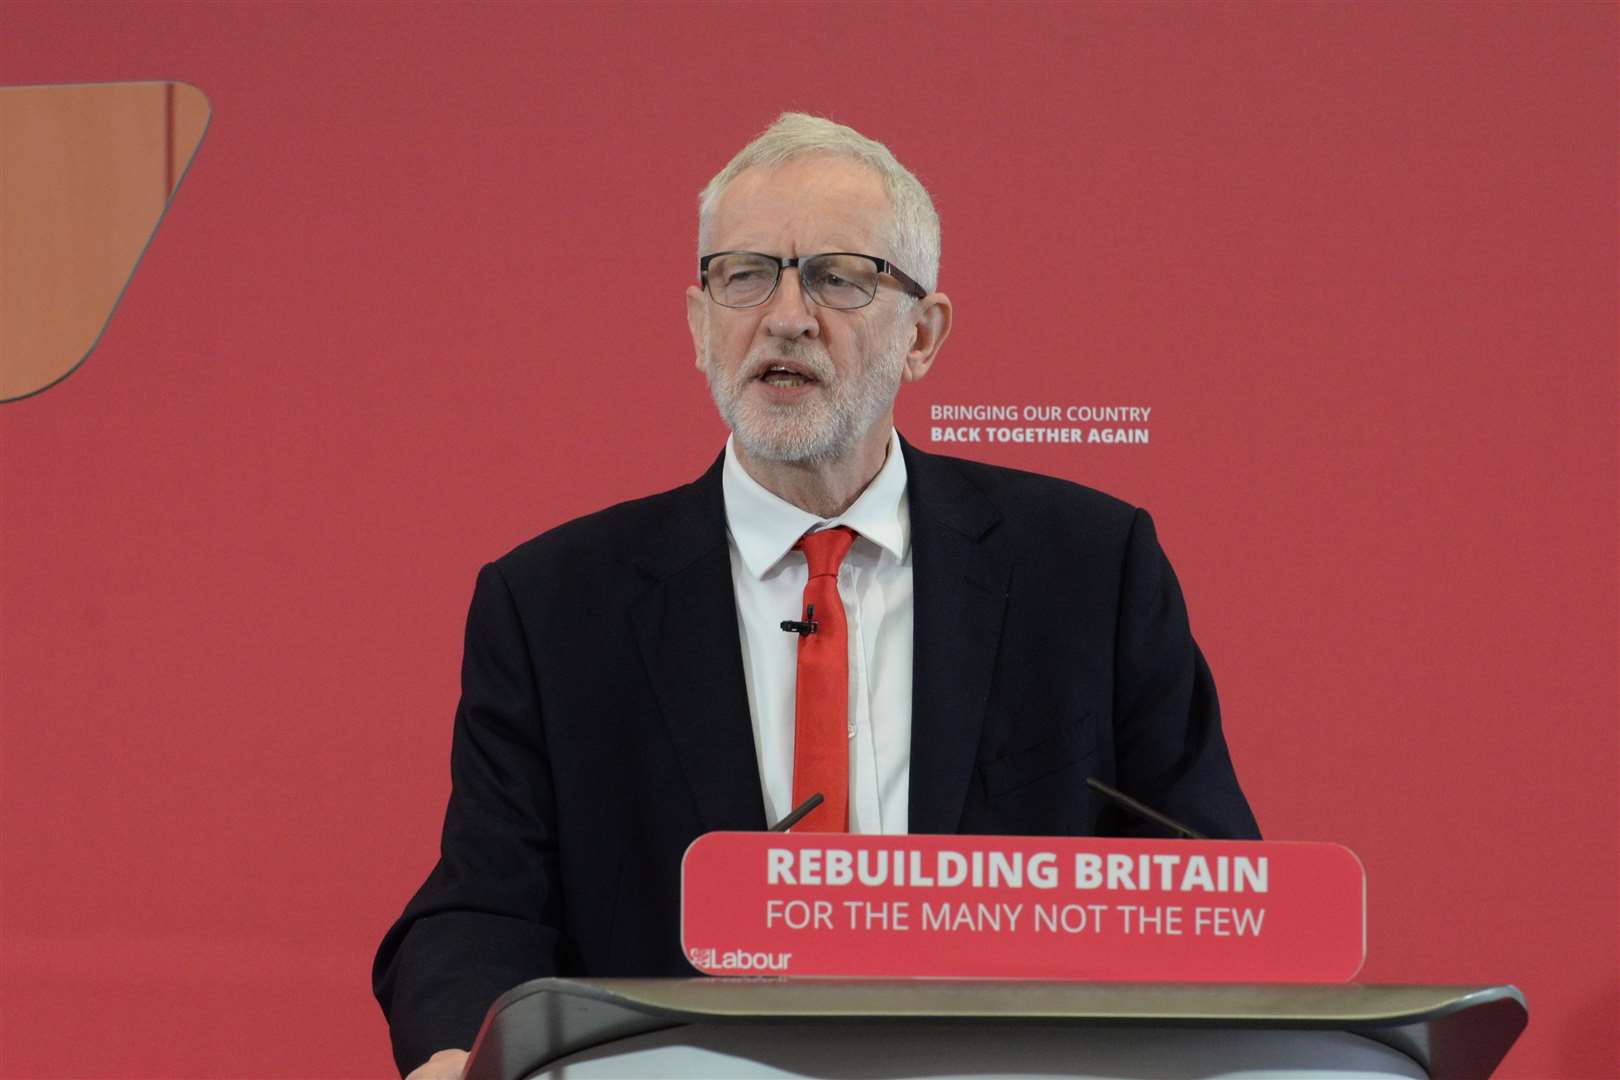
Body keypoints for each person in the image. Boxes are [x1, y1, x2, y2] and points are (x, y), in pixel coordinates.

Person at [373, 113, 1259, 1080]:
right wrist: (460, 1051)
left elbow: (1204, 885)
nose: (786, 315)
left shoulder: (1087, 569)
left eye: (840, 276)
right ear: (699, 322)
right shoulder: (553, 608)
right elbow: (481, 909)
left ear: (923, 335)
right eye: (744, 274)